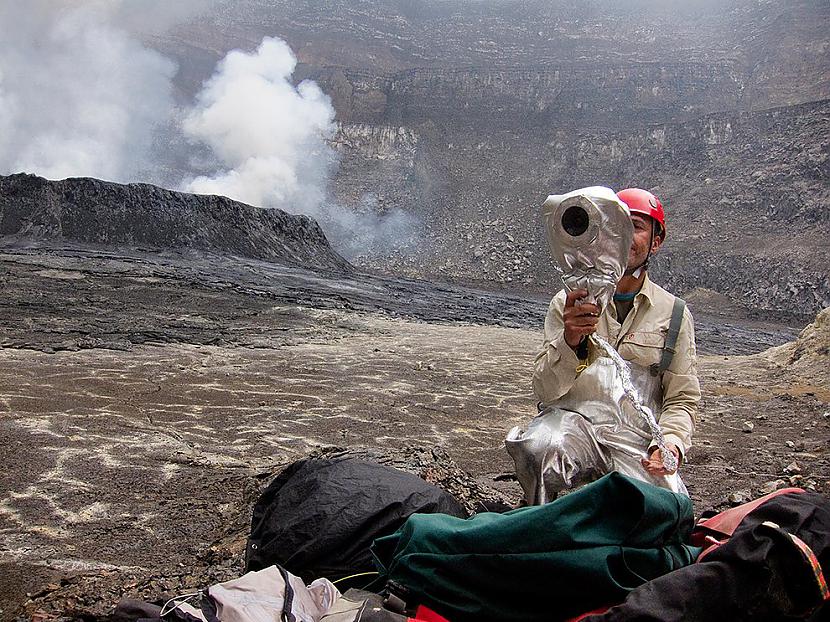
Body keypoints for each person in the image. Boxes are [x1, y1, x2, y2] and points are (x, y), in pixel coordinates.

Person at [529, 188, 700, 492]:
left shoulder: (673, 313)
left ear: (656, 242)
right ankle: (541, 524)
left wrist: (670, 444)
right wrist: (570, 341)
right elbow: (544, 390)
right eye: (617, 225)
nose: (623, 236)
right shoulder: (566, 303)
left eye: (636, 226)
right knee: (540, 446)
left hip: (636, 441)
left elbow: (681, 398)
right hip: (573, 429)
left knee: (668, 503)